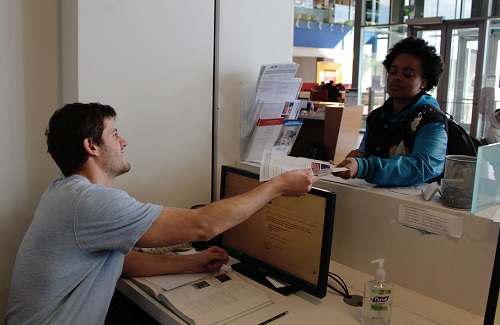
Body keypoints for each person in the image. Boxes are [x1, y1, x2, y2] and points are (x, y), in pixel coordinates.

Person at [6, 102, 318, 324]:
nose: (124, 141)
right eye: (115, 134)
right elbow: (204, 225)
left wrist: (190, 262)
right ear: (92, 146)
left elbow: (119, 260)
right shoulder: (88, 202)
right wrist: (277, 186)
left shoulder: (63, 192)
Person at [333, 37, 446, 186]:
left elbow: (423, 166)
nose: (397, 78)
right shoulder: (376, 116)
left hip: (411, 206)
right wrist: (356, 160)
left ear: (423, 83)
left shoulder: (431, 120)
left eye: (407, 74)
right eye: (393, 72)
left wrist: (365, 167)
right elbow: (366, 156)